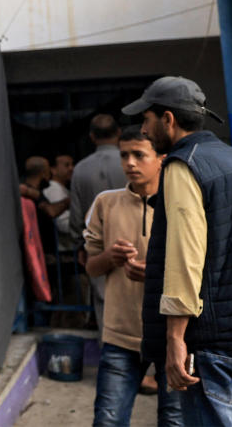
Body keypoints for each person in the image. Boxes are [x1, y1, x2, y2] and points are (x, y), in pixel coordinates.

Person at [129, 76, 232, 426]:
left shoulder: (183, 165)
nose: (143, 130)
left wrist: (175, 338)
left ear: (167, 119)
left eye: (146, 119)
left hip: (212, 339)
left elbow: (185, 256)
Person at [84, 126, 181, 426]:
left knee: (174, 421)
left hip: (173, 334)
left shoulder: (180, 205)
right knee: (107, 420)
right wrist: (109, 257)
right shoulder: (105, 203)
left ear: (161, 160)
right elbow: (91, 267)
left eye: (139, 155)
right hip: (120, 335)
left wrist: (156, 274)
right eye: (124, 155)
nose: (129, 163)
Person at [71, 114, 127, 331]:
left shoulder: (81, 169)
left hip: (97, 245)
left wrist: (79, 244)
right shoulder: (133, 162)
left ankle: (111, 355)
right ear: (118, 133)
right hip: (136, 241)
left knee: (105, 303)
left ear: (92, 137)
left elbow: (76, 216)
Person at [45, 153, 75, 252]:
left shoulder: (62, 188)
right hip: (66, 250)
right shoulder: (54, 189)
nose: (71, 168)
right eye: (67, 165)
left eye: (72, 164)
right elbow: (63, 224)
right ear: (53, 170)